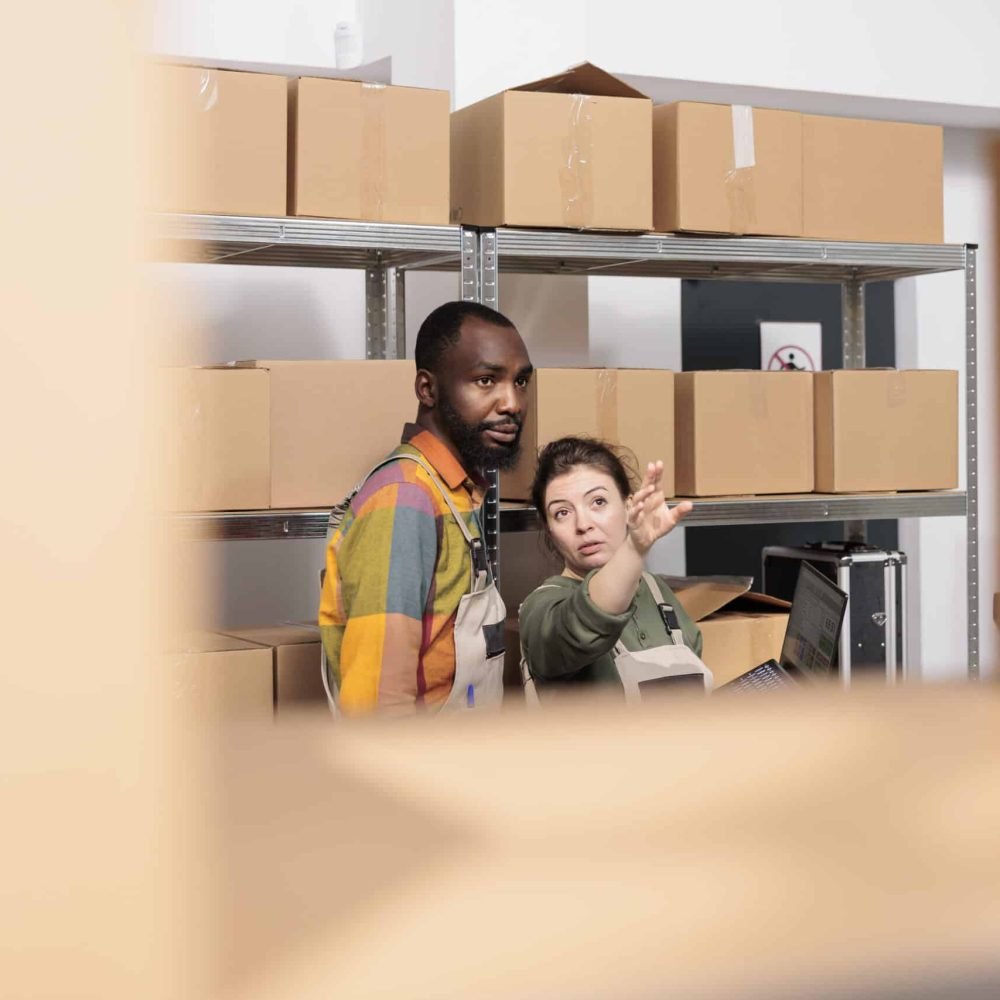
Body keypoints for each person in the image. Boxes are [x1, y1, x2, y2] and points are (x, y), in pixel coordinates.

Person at [319, 301, 533, 715]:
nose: (512, 403)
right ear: (427, 389)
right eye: (486, 380)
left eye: (520, 381)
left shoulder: (454, 490)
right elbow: (378, 705)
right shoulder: (405, 499)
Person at [518, 436, 705, 703]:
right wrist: (635, 546)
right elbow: (584, 624)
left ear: (628, 506)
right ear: (548, 528)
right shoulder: (542, 607)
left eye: (598, 502)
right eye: (562, 513)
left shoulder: (657, 592)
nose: (583, 524)